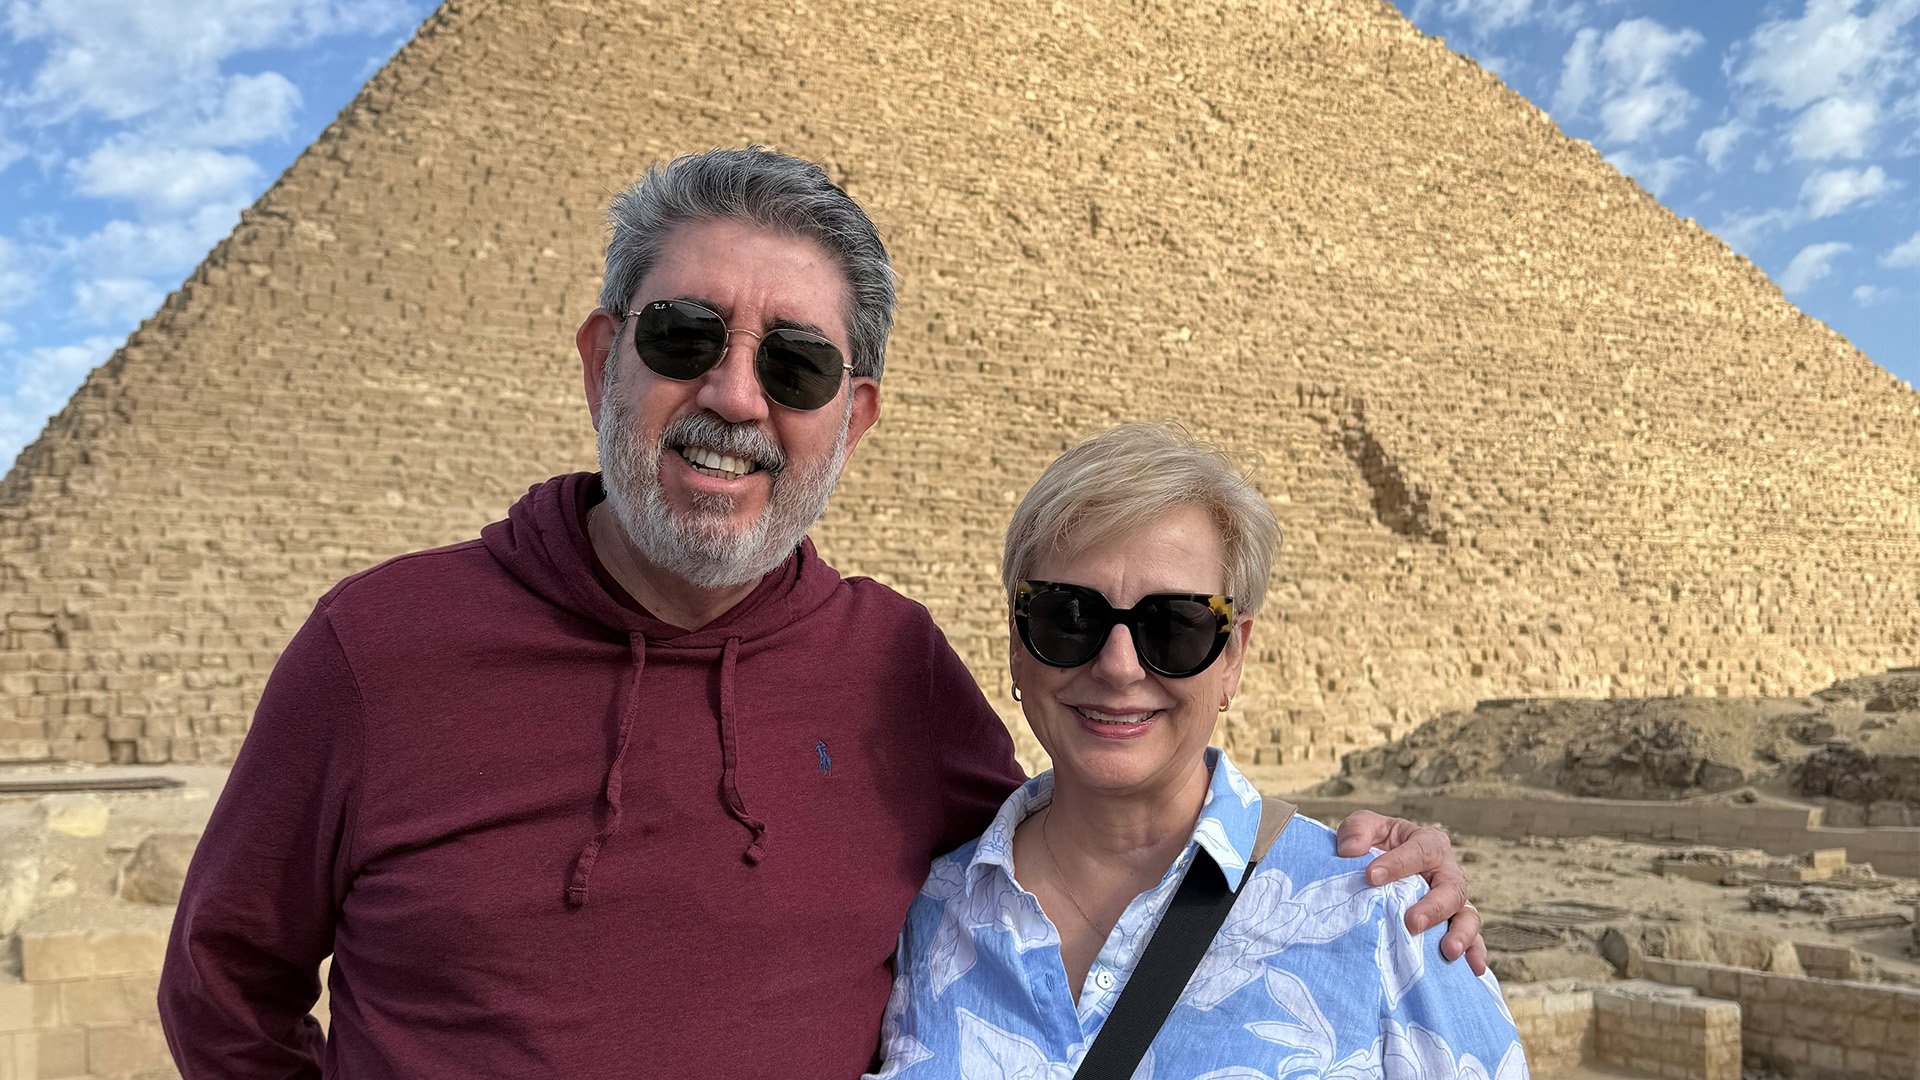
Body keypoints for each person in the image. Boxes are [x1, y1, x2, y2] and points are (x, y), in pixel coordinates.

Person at [158, 148, 1485, 1079]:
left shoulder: (894, 673)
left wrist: (1347, 866)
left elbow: (1109, 805)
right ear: (599, 361)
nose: (737, 397)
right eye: (685, 339)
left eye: (793, 363)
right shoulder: (378, 653)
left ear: (850, 417)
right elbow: (224, 990)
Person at [871, 423, 1524, 1078]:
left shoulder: (1382, 919)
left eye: (1174, 627)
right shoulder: (918, 914)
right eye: (1068, 617)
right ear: (1016, 641)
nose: (1118, 666)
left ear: (1233, 658)